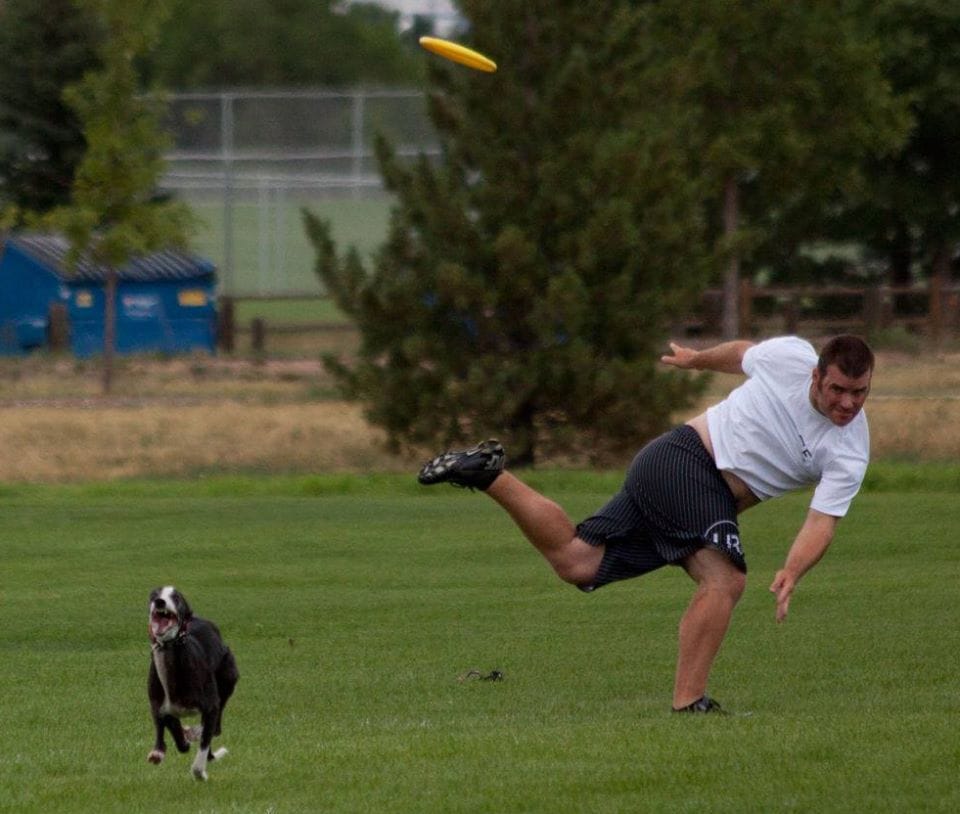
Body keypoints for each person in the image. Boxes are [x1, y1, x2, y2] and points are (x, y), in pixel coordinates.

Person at [417, 334, 874, 713]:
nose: (848, 403)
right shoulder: (790, 356)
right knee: (724, 579)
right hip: (686, 460)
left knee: (578, 562)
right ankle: (689, 702)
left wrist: (794, 570)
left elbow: (822, 522)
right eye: (837, 390)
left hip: (686, 486)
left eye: (859, 393)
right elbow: (741, 353)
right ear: (815, 375)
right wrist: (697, 360)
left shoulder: (850, 447)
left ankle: (488, 473)